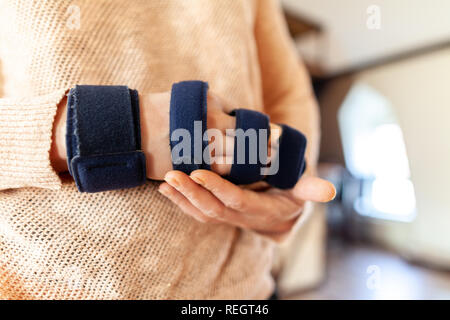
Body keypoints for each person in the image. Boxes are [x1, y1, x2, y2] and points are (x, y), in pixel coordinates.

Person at [0, 0, 335, 299]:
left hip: (244, 289)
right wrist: (113, 130)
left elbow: (288, 94)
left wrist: (285, 198)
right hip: (47, 284)